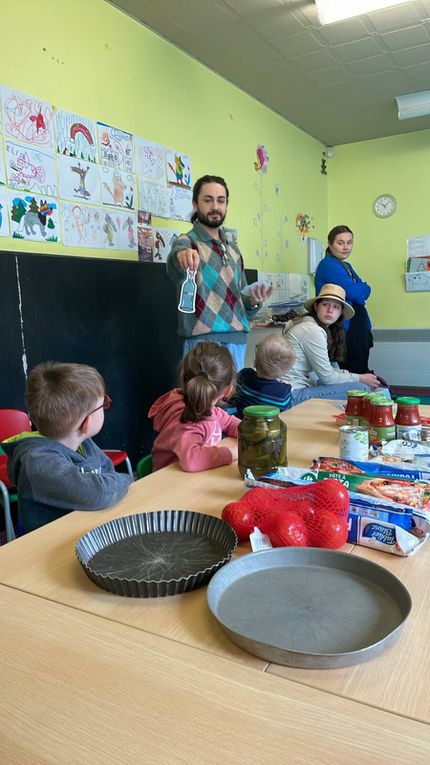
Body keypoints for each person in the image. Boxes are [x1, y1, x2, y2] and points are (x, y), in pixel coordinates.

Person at [1, 362, 132, 533]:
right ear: (87, 422)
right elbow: (100, 493)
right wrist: (128, 479)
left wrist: (114, 484)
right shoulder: (38, 461)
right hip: (46, 543)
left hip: (84, 526)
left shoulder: (84, 443)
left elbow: (107, 472)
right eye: (103, 404)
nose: (106, 407)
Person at [166, 174, 273, 371]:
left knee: (230, 399)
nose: (215, 206)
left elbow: (243, 302)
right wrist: (182, 256)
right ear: (195, 204)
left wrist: (254, 300)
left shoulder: (233, 249)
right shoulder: (187, 242)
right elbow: (175, 263)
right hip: (202, 343)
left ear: (226, 205)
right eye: (208, 200)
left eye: (221, 200)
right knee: (200, 400)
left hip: (237, 341)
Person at [281, 284, 387, 406]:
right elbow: (328, 378)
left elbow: (330, 370)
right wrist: (360, 378)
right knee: (361, 390)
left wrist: (356, 377)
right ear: (316, 306)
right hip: (291, 394)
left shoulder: (312, 326)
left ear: (341, 312)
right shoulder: (313, 331)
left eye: (336, 307)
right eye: (325, 304)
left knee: (347, 378)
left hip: (290, 388)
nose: (330, 310)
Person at [148, 341, 240, 472]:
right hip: (170, 484)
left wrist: (252, 433)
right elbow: (191, 460)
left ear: (182, 375)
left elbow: (229, 422)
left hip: (194, 477)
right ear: (228, 390)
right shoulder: (187, 416)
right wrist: (232, 454)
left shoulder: (208, 408)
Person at [314, 225, 373, 374]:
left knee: (360, 366)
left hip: (357, 323)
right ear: (330, 244)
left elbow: (366, 290)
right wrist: (362, 288)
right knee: (351, 371)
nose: (346, 247)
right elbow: (358, 293)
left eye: (349, 242)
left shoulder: (346, 265)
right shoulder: (328, 265)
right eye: (340, 243)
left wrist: (363, 289)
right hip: (343, 325)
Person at [235, 333, 294, 418]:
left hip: (243, 425)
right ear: (284, 372)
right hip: (270, 429)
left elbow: (233, 398)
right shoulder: (284, 392)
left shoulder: (244, 376)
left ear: (254, 362)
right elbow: (287, 416)